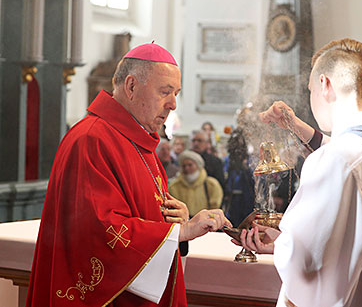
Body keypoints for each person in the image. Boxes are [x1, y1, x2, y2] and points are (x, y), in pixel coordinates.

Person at [26, 43, 231, 307]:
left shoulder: (142, 145)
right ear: (131, 86)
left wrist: (177, 223)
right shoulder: (92, 139)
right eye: (165, 92)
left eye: (176, 93)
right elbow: (97, 231)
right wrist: (179, 232)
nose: (173, 104)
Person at [237, 38, 362, 306]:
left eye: (311, 90)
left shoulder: (335, 160)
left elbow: (308, 264)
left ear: (324, 85)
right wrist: (284, 241)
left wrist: (285, 248)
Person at [169, 150, 223, 218]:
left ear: (198, 166)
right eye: (184, 166)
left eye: (190, 165)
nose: (187, 168)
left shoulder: (212, 184)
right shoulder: (174, 187)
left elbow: (215, 208)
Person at [223, 127, 255, 227]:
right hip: (231, 198)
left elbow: (253, 181)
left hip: (247, 198)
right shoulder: (227, 160)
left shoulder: (250, 161)